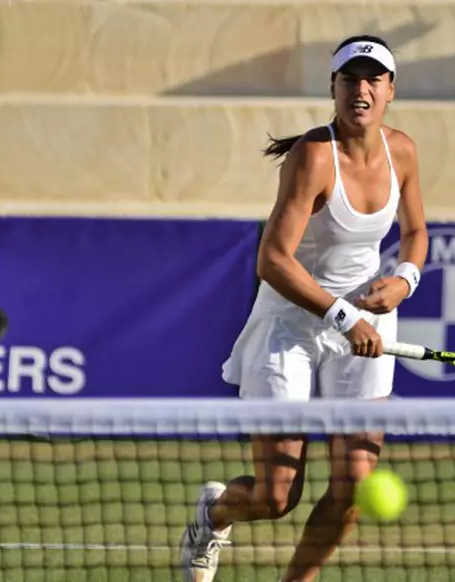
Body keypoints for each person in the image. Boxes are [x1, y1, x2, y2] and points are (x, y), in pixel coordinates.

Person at [178, 34, 428, 582]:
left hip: (366, 325)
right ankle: (214, 514)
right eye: (349, 79)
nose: (360, 89)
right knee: (274, 496)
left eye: (372, 79)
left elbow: (415, 231)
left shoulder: (402, 150)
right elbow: (272, 260)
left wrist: (404, 281)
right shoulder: (312, 157)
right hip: (291, 323)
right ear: (333, 89)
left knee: (354, 486)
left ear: (390, 90)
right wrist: (344, 316)